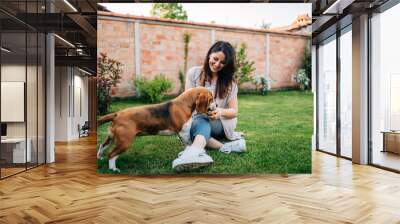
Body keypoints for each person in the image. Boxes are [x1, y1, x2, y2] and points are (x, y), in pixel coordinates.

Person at [172, 41, 246, 171]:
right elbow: (186, 103)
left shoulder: (230, 83)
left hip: (221, 122)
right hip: (196, 120)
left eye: (222, 62)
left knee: (198, 123)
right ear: (209, 56)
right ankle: (226, 147)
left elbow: (234, 112)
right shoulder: (194, 73)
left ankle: (194, 151)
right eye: (215, 59)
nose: (217, 64)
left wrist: (219, 112)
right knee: (197, 123)